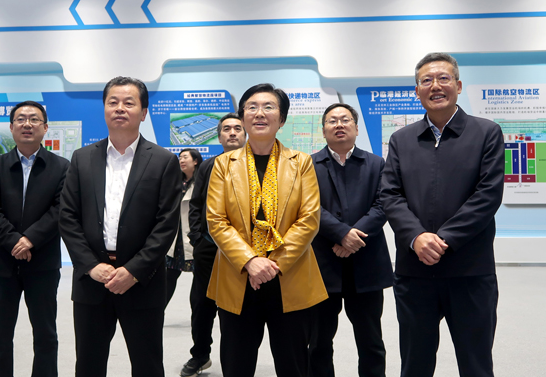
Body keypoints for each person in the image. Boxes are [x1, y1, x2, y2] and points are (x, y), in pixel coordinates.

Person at [380, 52, 505, 377]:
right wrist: (417, 237)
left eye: (443, 78)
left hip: (470, 271)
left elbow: (487, 195)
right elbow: (390, 195)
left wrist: (443, 239)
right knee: (415, 365)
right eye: (426, 80)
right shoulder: (401, 139)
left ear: (458, 86)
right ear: (417, 91)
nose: (435, 86)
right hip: (414, 272)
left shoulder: (486, 132)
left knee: (476, 365)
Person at [59, 76, 183, 377]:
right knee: (88, 365)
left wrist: (133, 271)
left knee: (147, 364)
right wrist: (90, 266)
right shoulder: (82, 158)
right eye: (112, 102)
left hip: (142, 281)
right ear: (104, 109)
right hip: (92, 281)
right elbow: (68, 217)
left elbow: (166, 224)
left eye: (129, 102)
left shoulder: (163, 161)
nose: (119, 108)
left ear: (143, 113)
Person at [206, 83, 328, 377]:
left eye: (269, 107)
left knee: (293, 365)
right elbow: (216, 220)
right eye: (252, 107)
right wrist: (250, 261)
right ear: (243, 117)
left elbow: (309, 219)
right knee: (236, 364)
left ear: (281, 119)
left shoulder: (301, 163)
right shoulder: (223, 164)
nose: (259, 113)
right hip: (238, 275)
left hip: (288, 274)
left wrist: (272, 265)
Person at [0, 101, 70, 377]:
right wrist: (14, 242)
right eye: (20, 119)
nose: (27, 124)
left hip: (42, 263)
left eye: (34, 119)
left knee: (45, 335)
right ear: (11, 127)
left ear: (45, 127)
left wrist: (30, 239)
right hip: (1, 264)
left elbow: (61, 209)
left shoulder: (62, 167)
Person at [309, 103, 393, 377]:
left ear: (356, 128)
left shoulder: (376, 164)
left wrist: (353, 236)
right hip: (323, 263)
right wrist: (341, 234)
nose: (339, 125)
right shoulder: (308, 165)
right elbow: (308, 207)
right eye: (332, 121)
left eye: (345, 120)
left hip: (366, 262)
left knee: (371, 341)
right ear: (323, 130)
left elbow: (384, 204)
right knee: (318, 341)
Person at [180, 113, 246, 377]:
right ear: (219, 137)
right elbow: (196, 204)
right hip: (208, 246)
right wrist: (197, 239)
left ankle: (235, 361)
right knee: (201, 304)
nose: (232, 133)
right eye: (226, 129)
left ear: (245, 134)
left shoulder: (254, 164)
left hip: (243, 252)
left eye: (237, 128)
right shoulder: (208, 166)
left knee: (237, 309)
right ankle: (200, 355)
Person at [165, 148, 202, 307]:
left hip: (195, 236)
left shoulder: (202, 181)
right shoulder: (174, 182)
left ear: (195, 161)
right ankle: (158, 312)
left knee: (200, 279)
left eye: (185, 157)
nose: (181, 160)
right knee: (169, 276)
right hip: (175, 237)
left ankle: (200, 314)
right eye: (180, 157)